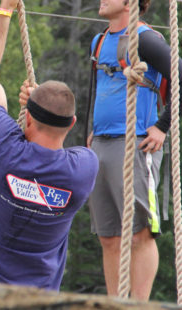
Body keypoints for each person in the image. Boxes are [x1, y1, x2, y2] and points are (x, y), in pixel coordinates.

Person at [0, 0, 99, 291]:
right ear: (71, 124)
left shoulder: (2, 148)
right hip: (38, 299)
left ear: (28, 118)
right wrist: (37, 106)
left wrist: (5, 9)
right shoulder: (83, 170)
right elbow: (63, 145)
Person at [87, 0, 182, 301]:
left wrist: (162, 126)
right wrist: (92, 130)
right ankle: (116, 302)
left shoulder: (146, 39)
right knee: (109, 236)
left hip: (136, 144)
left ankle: (138, 304)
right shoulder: (99, 40)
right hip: (102, 144)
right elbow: (97, 88)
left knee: (140, 234)